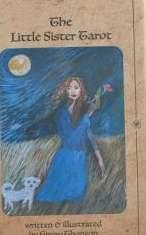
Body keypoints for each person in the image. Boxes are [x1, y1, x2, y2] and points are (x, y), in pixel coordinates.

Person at [36, 77, 105, 211]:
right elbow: (71, 138)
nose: (73, 91)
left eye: (76, 88)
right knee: (56, 201)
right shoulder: (60, 113)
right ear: (65, 91)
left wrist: (99, 158)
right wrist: (90, 112)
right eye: (69, 88)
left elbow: (88, 135)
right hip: (64, 159)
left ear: (81, 91)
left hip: (79, 160)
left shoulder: (82, 113)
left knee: (75, 202)